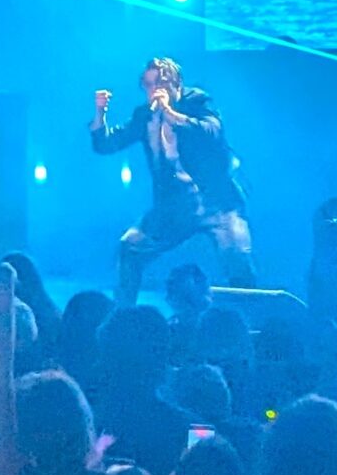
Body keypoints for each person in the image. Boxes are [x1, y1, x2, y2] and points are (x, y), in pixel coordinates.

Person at [91, 57, 254, 304]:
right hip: (175, 208)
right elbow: (107, 144)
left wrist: (170, 114)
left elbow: (211, 131)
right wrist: (100, 115)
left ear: (176, 84)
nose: (154, 90)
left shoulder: (197, 102)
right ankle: (123, 316)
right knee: (130, 247)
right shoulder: (144, 116)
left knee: (238, 259)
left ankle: (250, 318)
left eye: (160, 83)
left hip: (217, 204)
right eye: (148, 85)